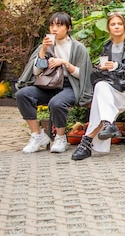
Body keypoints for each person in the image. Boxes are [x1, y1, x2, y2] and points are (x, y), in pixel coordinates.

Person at [71, 11, 125, 161]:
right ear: (108, 28)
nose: (117, 27)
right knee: (100, 86)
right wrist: (101, 69)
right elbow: (102, 73)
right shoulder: (107, 46)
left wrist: (117, 65)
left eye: (119, 24)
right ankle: (106, 125)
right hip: (112, 90)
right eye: (113, 24)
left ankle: (87, 143)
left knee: (101, 100)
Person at [16, 12, 93, 154]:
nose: (54, 29)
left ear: (69, 28)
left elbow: (83, 74)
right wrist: (43, 50)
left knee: (56, 103)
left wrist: (64, 63)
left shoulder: (78, 48)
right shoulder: (46, 46)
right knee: (23, 94)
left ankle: (60, 137)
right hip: (48, 85)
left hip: (70, 85)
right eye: (52, 25)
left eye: (59, 25)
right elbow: (35, 73)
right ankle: (37, 135)